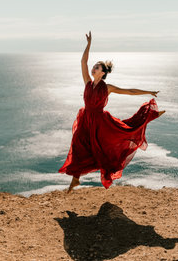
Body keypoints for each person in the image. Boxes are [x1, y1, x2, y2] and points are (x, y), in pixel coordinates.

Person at [58, 31, 166, 193]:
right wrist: (89, 44)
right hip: (85, 119)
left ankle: (149, 115)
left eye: (97, 67)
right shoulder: (87, 82)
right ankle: (76, 179)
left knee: (115, 138)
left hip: (100, 122)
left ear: (103, 72)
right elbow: (83, 61)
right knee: (78, 147)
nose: (93, 68)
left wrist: (148, 91)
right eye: (94, 66)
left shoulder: (107, 88)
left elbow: (129, 91)